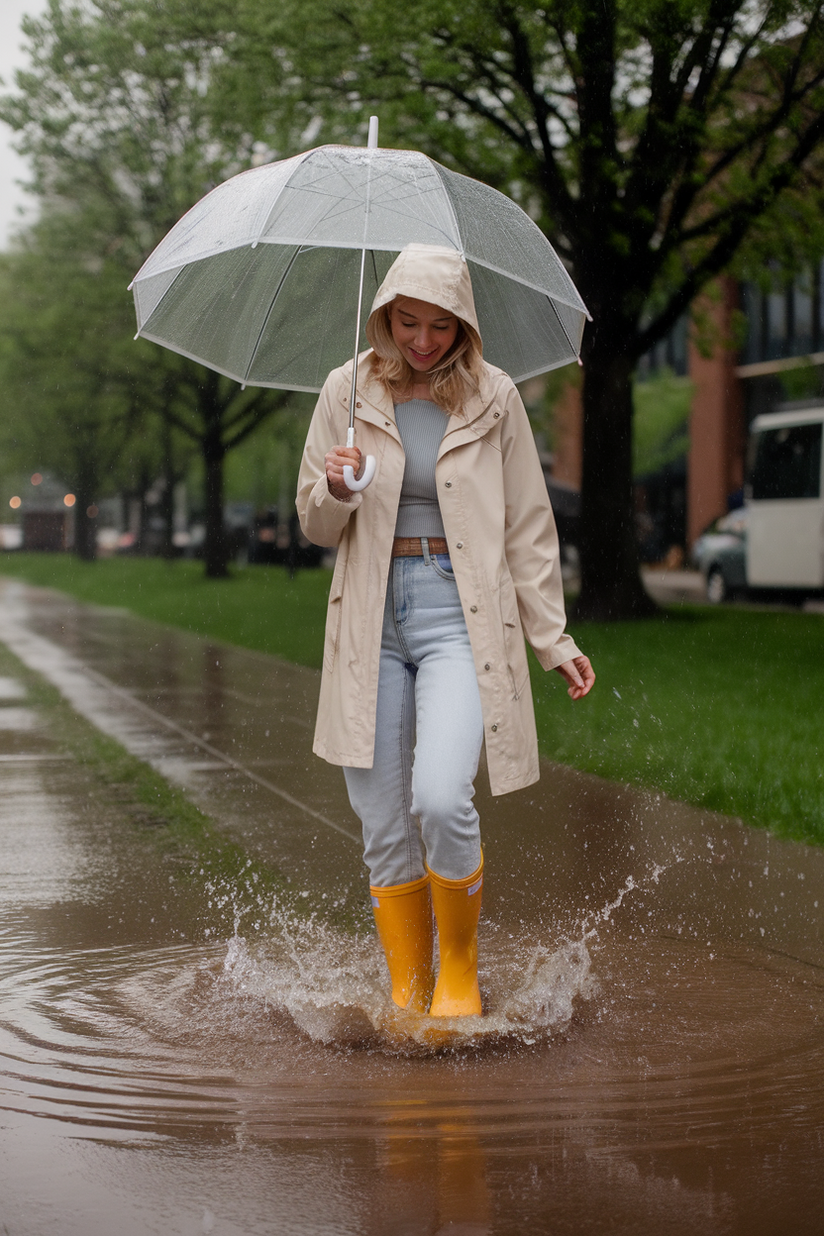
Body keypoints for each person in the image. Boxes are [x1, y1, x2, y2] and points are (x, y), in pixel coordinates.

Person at [296, 243, 595, 1019]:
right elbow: (315, 524)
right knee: (382, 818)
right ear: (385, 315)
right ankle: (408, 983)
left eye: (439, 325)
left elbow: (528, 525)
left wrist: (552, 638)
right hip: (370, 616)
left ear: (463, 326)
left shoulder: (494, 397)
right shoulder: (347, 389)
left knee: (440, 795)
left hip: (458, 614)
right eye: (407, 321)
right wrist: (335, 486)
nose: (422, 340)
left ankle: (458, 966)